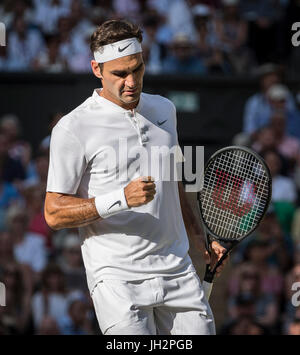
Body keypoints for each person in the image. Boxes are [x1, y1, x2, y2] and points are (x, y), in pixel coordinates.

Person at [44, 19, 228, 335]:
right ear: (96, 69)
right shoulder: (72, 128)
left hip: (178, 270)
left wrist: (198, 237)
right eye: (119, 73)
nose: (131, 81)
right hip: (117, 279)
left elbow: (173, 181)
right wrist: (121, 199)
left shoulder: (165, 109)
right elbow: (54, 212)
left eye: (137, 69)